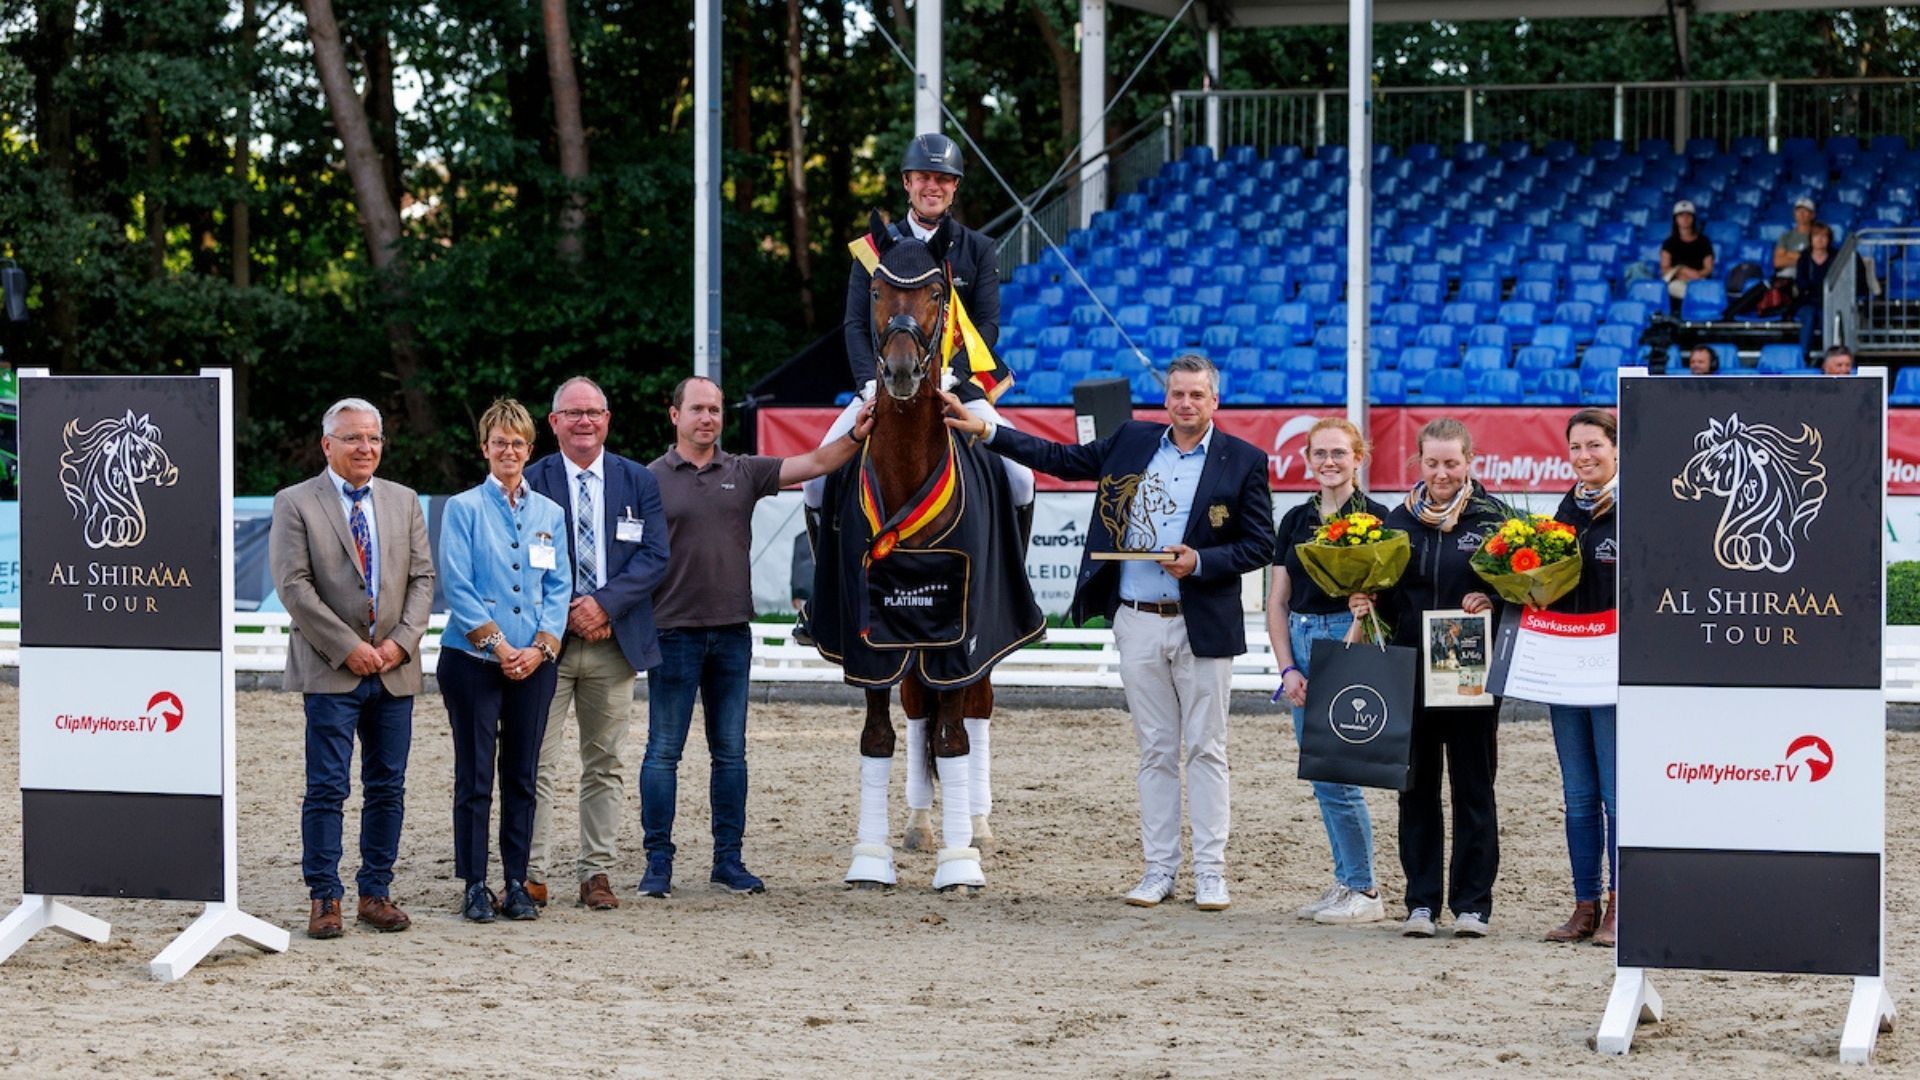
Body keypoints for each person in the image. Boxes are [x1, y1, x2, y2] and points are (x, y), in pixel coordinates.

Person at [942, 354, 1275, 912]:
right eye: (1177, 394)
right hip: (1138, 617)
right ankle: (1159, 869)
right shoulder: (1130, 441)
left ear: (1215, 401)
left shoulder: (1243, 460)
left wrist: (1202, 561)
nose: (1186, 403)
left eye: (1197, 395)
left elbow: (1260, 544)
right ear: (1165, 398)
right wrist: (987, 431)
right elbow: (1059, 458)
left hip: (1202, 624)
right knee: (1156, 751)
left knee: (1207, 750)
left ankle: (1212, 871)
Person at [642, 376, 873, 898]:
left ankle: (729, 860)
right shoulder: (647, 479)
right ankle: (658, 862)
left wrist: (856, 436)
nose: (708, 418)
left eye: (716, 409)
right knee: (662, 753)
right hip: (673, 633)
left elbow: (813, 463)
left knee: (731, 755)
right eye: (698, 409)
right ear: (674, 415)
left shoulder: (744, 471)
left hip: (730, 633)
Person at [802, 133, 1032, 529]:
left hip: (956, 390)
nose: (933, 186)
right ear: (907, 183)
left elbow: (988, 325)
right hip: (883, 384)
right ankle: (827, 588)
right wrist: (869, 386)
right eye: (923, 177)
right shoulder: (873, 249)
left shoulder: (977, 249)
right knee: (814, 484)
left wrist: (952, 373)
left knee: (1021, 479)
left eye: (943, 179)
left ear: (955, 187)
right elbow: (856, 324)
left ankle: (1013, 587)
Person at [270, 398, 435, 939]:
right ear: (327, 445)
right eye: (353, 439)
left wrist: (400, 643)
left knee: (388, 786)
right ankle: (325, 897)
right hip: (331, 670)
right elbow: (294, 586)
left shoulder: (404, 500)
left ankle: (375, 892)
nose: (366, 448)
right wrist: (348, 647)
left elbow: (422, 580)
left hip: (394, 668)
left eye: (374, 439)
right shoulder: (295, 503)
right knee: (327, 787)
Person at [1353, 417, 1509, 939]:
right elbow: (1386, 593)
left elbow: (1522, 595)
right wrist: (1365, 600)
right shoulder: (1397, 522)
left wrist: (1495, 599)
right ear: (1418, 462)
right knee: (1415, 789)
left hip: (1467, 668)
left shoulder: (1494, 521)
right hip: (1409, 669)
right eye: (1433, 462)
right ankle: (1420, 903)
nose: (1442, 473)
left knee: (1472, 788)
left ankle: (1473, 905)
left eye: (1452, 462)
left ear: (1470, 462)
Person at [522, 377, 670, 912]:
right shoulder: (531, 480)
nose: (584, 421)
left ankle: (596, 873)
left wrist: (604, 605)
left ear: (607, 419)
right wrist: (565, 612)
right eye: (573, 413)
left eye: (594, 412)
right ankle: (530, 873)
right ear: (553, 421)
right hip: (545, 643)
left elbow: (654, 556)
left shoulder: (637, 480)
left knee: (604, 762)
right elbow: (518, 557)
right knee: (536, 761)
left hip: (615, 641)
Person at [437, 398, 572, 923]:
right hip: (472, 659)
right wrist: (498, 646)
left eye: (517, 443)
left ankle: (516, 879)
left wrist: (540, 647)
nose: (509, 451)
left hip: (534, 663)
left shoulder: (549, 514)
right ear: (485, 449)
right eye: (500, 442)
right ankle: (474, 882)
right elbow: (458, 583)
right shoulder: (464, 508)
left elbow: (558, 585)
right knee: (474, 775)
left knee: (522, 773)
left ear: (529, 449)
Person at [1265, 417, 1389, 926]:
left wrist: (1345, 648)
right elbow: (1276, 600)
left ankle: (1364, 887)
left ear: (1358, 457)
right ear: (1308, 458)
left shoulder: (1378, 519)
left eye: (1339, 453)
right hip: (1300, 635)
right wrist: (1287, 668)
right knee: (1321, 772)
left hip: (1348, 635)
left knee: (1339, 773)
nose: (1329, 462)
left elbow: (1376, 602)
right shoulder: (1295, 519)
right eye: (1320, 453)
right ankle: (1346, 880)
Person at [1544, 409, 1620, 947]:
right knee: (1577, 793)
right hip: (1565, 666)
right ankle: (1584, 903)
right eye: (1575, 448)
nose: (1584, 456)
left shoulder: (1638, 507)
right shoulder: (1567, 506)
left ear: (1616, 449)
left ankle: (1623, 903)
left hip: (1615, 668)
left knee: (1618, 793)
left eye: (1594, 445)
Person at [1660, 200, 1715, 315]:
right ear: (1676, 219)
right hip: (1677, 281)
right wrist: (1682, 271)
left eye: (1688, 215)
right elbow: (1665, 269)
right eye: (1681, 215)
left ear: (1693, 218)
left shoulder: (1704, 241)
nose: (1685, 219)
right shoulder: (1669, 243)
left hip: (1699, 280)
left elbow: (1708, 268)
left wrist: (1696, 275)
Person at [1793, 222, 1837, 358]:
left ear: (1829, 239)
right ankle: (1804, 356)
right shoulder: (1804, 258)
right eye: (1816, 236)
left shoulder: (1836, 257)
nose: (1820, 239)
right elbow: (1801, 283)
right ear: (1811, 239)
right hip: (1807, 301)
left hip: (1829, 301)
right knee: (1809, 315)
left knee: (1827, 316)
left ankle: (1829, 356)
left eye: (1824, 236)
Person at [1773, 196, 1816, 279]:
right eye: (1798, 210)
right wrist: (1801, 259)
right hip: (1786, 275)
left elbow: (1814, 261)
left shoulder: (1817, 235)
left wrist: (1788, 254)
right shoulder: (1786, 236)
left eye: (1805, 211)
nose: (1801, 214)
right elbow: (1777, 262)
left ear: (1812, 215)